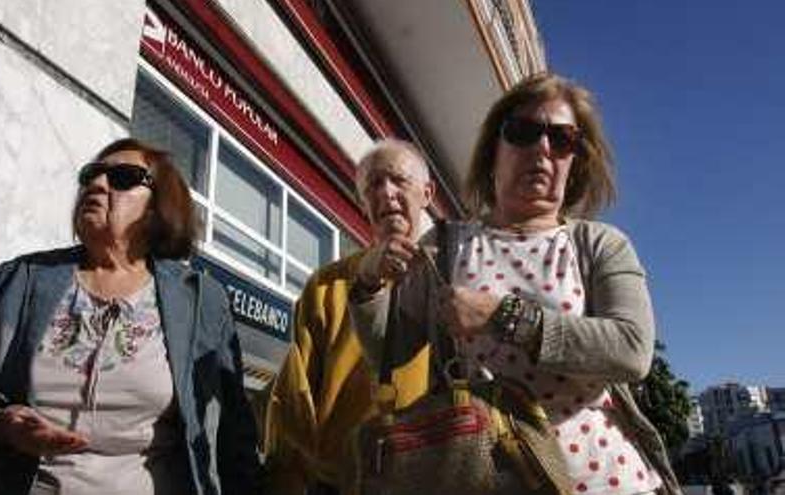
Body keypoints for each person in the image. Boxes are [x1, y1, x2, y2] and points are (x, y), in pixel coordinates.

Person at [349, 73, 682, 494]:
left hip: (605, 480)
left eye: (562, 140)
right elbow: (390, 351)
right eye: (523, 132)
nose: (543, 148)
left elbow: (632, 350)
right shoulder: (446, 247)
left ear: (575, 160)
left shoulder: (599, 243)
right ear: (493, 151)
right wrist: (368, 285)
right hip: (482, 477)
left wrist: (503, 315)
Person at [0, 138, 261, 494]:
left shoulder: (202, 302)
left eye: (123, 177)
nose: (98, 184)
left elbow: (233, 434)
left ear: (158, 206)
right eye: (92, 175)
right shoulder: (15, 280)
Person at [263, 139, 436, 495]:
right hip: (336, 484)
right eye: (373, 184)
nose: (386, 192)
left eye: (398, 180)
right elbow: (294, 401)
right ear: (363, 204)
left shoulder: (450, 280)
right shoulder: (326, 286)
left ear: (427, 193)